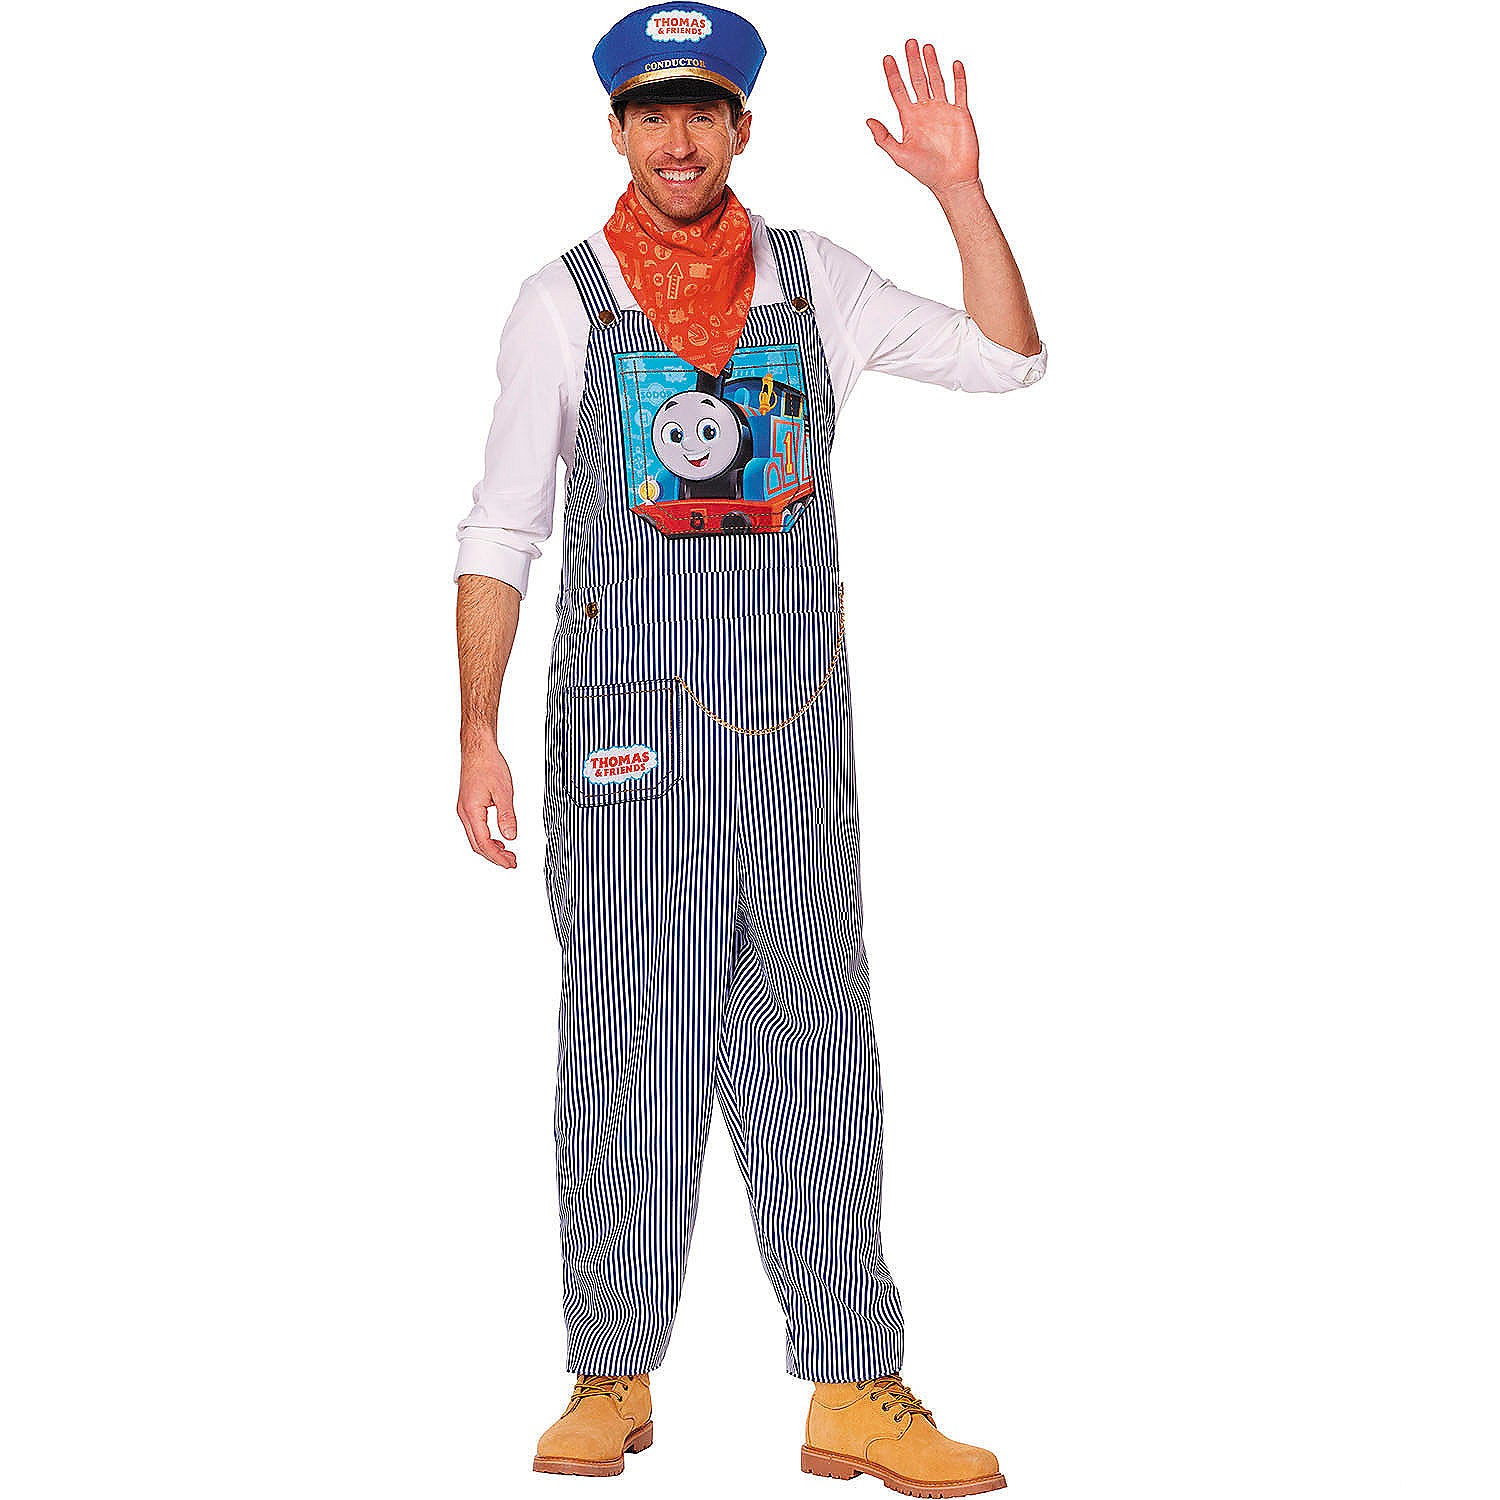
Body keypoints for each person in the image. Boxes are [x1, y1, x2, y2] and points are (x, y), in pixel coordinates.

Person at [453, 7, 1044, 1492]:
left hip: (791, 741)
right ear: (616, 131)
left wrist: (961, 192)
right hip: (625, 740)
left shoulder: (815, 280)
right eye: (653, 113)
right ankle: (609, 1373)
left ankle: (856, 1387)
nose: (678, 139)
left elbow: (1007, 357)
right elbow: (502, 526)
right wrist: (475, 728)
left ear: (740, 130)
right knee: (624, 1042)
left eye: (702, 112)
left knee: (816, 1041)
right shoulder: (559, 303)